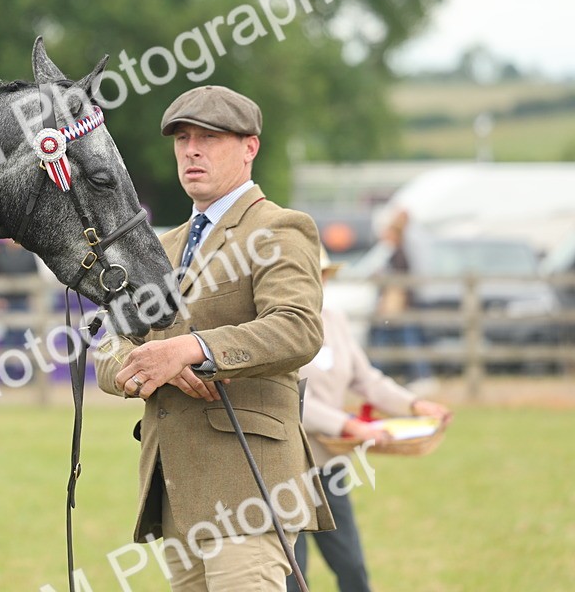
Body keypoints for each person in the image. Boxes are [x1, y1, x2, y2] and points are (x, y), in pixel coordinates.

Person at [94, 85, 332, 591]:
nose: (191, 150)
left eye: (209, 138)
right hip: (176, 493)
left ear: (250, 148)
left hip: (249, 488)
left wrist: (192, 350)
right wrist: (143, 369)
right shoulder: (161, 247)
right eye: (182, 139)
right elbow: (110, 343)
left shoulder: (281, 228)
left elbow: (298, 327)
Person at [292, 250, 453, 591]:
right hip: (285, 470)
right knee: (294, 575)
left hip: (330, 465)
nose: (317, 282)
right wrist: (347, 425)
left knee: (352, 566)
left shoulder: (334, 319)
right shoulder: (276, 328)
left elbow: (366, 379)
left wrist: (414, 405)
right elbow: (289, 398)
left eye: (322, 274)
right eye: (308, 273)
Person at [368, 209, 433, 385]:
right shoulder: (401, 250)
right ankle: (419, 376)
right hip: (403, 305)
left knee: (406, 341)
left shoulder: (399, 252)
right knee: (407, 341)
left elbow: (401, 281)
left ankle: (377, 376)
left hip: (400, 305)